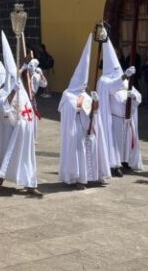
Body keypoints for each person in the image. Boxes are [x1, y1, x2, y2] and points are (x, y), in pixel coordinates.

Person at [0, 32, 42, 197]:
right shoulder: (2, 93)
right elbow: (5, 107)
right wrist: (13, 91)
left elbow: (27, 104)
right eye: (11, 78)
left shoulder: (21, 87)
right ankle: (0, 180)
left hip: (24, 130)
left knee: (27, 157)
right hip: (10, 131)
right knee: (8, 154)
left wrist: (26, 63)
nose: (14, 79)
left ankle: (30, 184)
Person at [58, 35, 111, 190]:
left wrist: (96, 102)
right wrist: (79, 104)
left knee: (91, 150)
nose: (84, 86)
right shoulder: (68, 95)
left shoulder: (84, 94)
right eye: (82, 83)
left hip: (87, 129)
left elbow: (94, 112)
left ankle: (91, 176)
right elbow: (69, 111)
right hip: (74, 131)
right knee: (77, 153)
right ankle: (76, 178)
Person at [97, 41, 142, 177]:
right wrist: (124, 76)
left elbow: (136, 93)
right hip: (114, 118)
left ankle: (126, 161)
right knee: (115, 143)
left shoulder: (124, 79)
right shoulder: (104, 80)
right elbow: (112, 87)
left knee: (126, 142)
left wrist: (134, 96)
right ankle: (114, 164)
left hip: (127, 118)